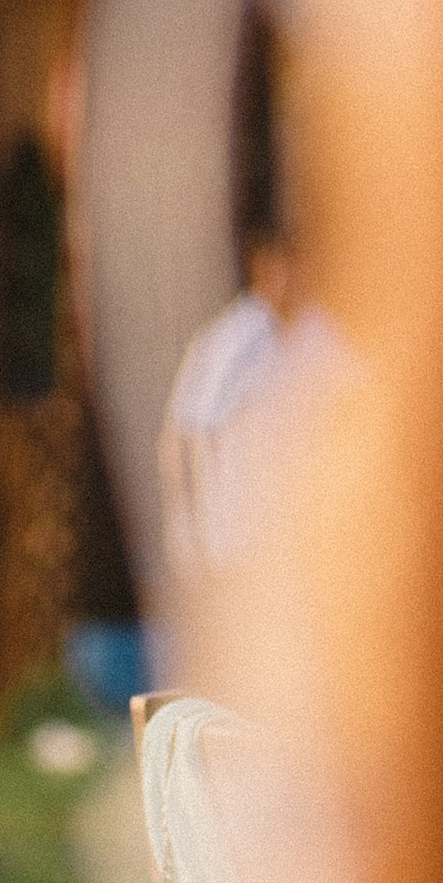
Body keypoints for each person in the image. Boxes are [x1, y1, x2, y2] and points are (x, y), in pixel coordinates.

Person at [158, 223, 350, 601]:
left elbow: (359, 413)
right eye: (279, 266)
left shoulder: (322, 337)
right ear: (260, 268)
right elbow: (184, 438)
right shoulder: (229, 342)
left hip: (303, 550)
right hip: (235, 546)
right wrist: (189, 537)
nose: (289, 279)